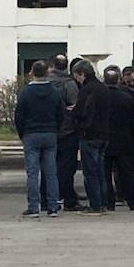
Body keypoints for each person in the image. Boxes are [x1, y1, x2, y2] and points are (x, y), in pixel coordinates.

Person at [15, 58, 66, 217]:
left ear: (32, 73)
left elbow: (19, 116)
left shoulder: (25, 92)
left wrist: (22, 133)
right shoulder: (54, 91)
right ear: (47, 72)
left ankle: (33, 207)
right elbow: (61, 113)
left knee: (32, 173)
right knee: (51, 172)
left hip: (31, 133)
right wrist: (56, 129)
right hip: (50, 133)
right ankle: (52, 206)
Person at [98, 68, 134, 211]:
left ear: (104, 81)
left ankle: (109, 202)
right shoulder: (127, 98)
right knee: (127, 172)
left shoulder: (99, 98)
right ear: (118, 80)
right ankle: (133, 201)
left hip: (105, 139)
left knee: (105, 173)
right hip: (124, 139)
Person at [73, 61, 109, 214]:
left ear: (82, 74)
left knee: (90, 171)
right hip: (104, 134)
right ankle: (104, 201)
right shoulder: (103, 88)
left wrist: (73, 113)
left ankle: (95, 204)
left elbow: (81, 111)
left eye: (77, 77)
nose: (77, 80)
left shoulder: (86, 90)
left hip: (89, 134)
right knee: (100, 170)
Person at [53, 52, 84, 212]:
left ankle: (50, 198)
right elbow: (76, 106)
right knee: (67, 166)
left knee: (50, 166)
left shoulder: (45, 82)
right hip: (68, 131)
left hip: (50, 130)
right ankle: (69, 199)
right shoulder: (70, 84)